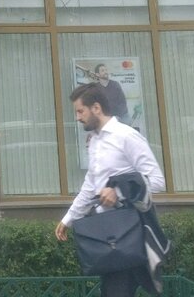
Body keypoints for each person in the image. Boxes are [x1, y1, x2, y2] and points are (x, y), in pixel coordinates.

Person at [55, 83, 165, 297]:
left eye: (80, 111)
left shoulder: (126, 136)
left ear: (96, 108)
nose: (77, 117)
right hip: (108, 236)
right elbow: (91, 186)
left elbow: (156, 181)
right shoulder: (95, 141)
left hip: (129, 232)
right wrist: (68, 219)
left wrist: (119, 191)